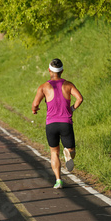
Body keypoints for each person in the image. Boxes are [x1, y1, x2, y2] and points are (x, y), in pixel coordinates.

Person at [32, 58, 83, 189]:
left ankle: (58, 180)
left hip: (51, 125)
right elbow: (80, 98)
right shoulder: (68, 85)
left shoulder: (43, 87)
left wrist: (35, 110)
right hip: (66, 123)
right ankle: (68, 154)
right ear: (62, 71)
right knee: (71, 150)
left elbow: (35, 104)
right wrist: (71, 109)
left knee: (54, 152)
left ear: (49, 70)